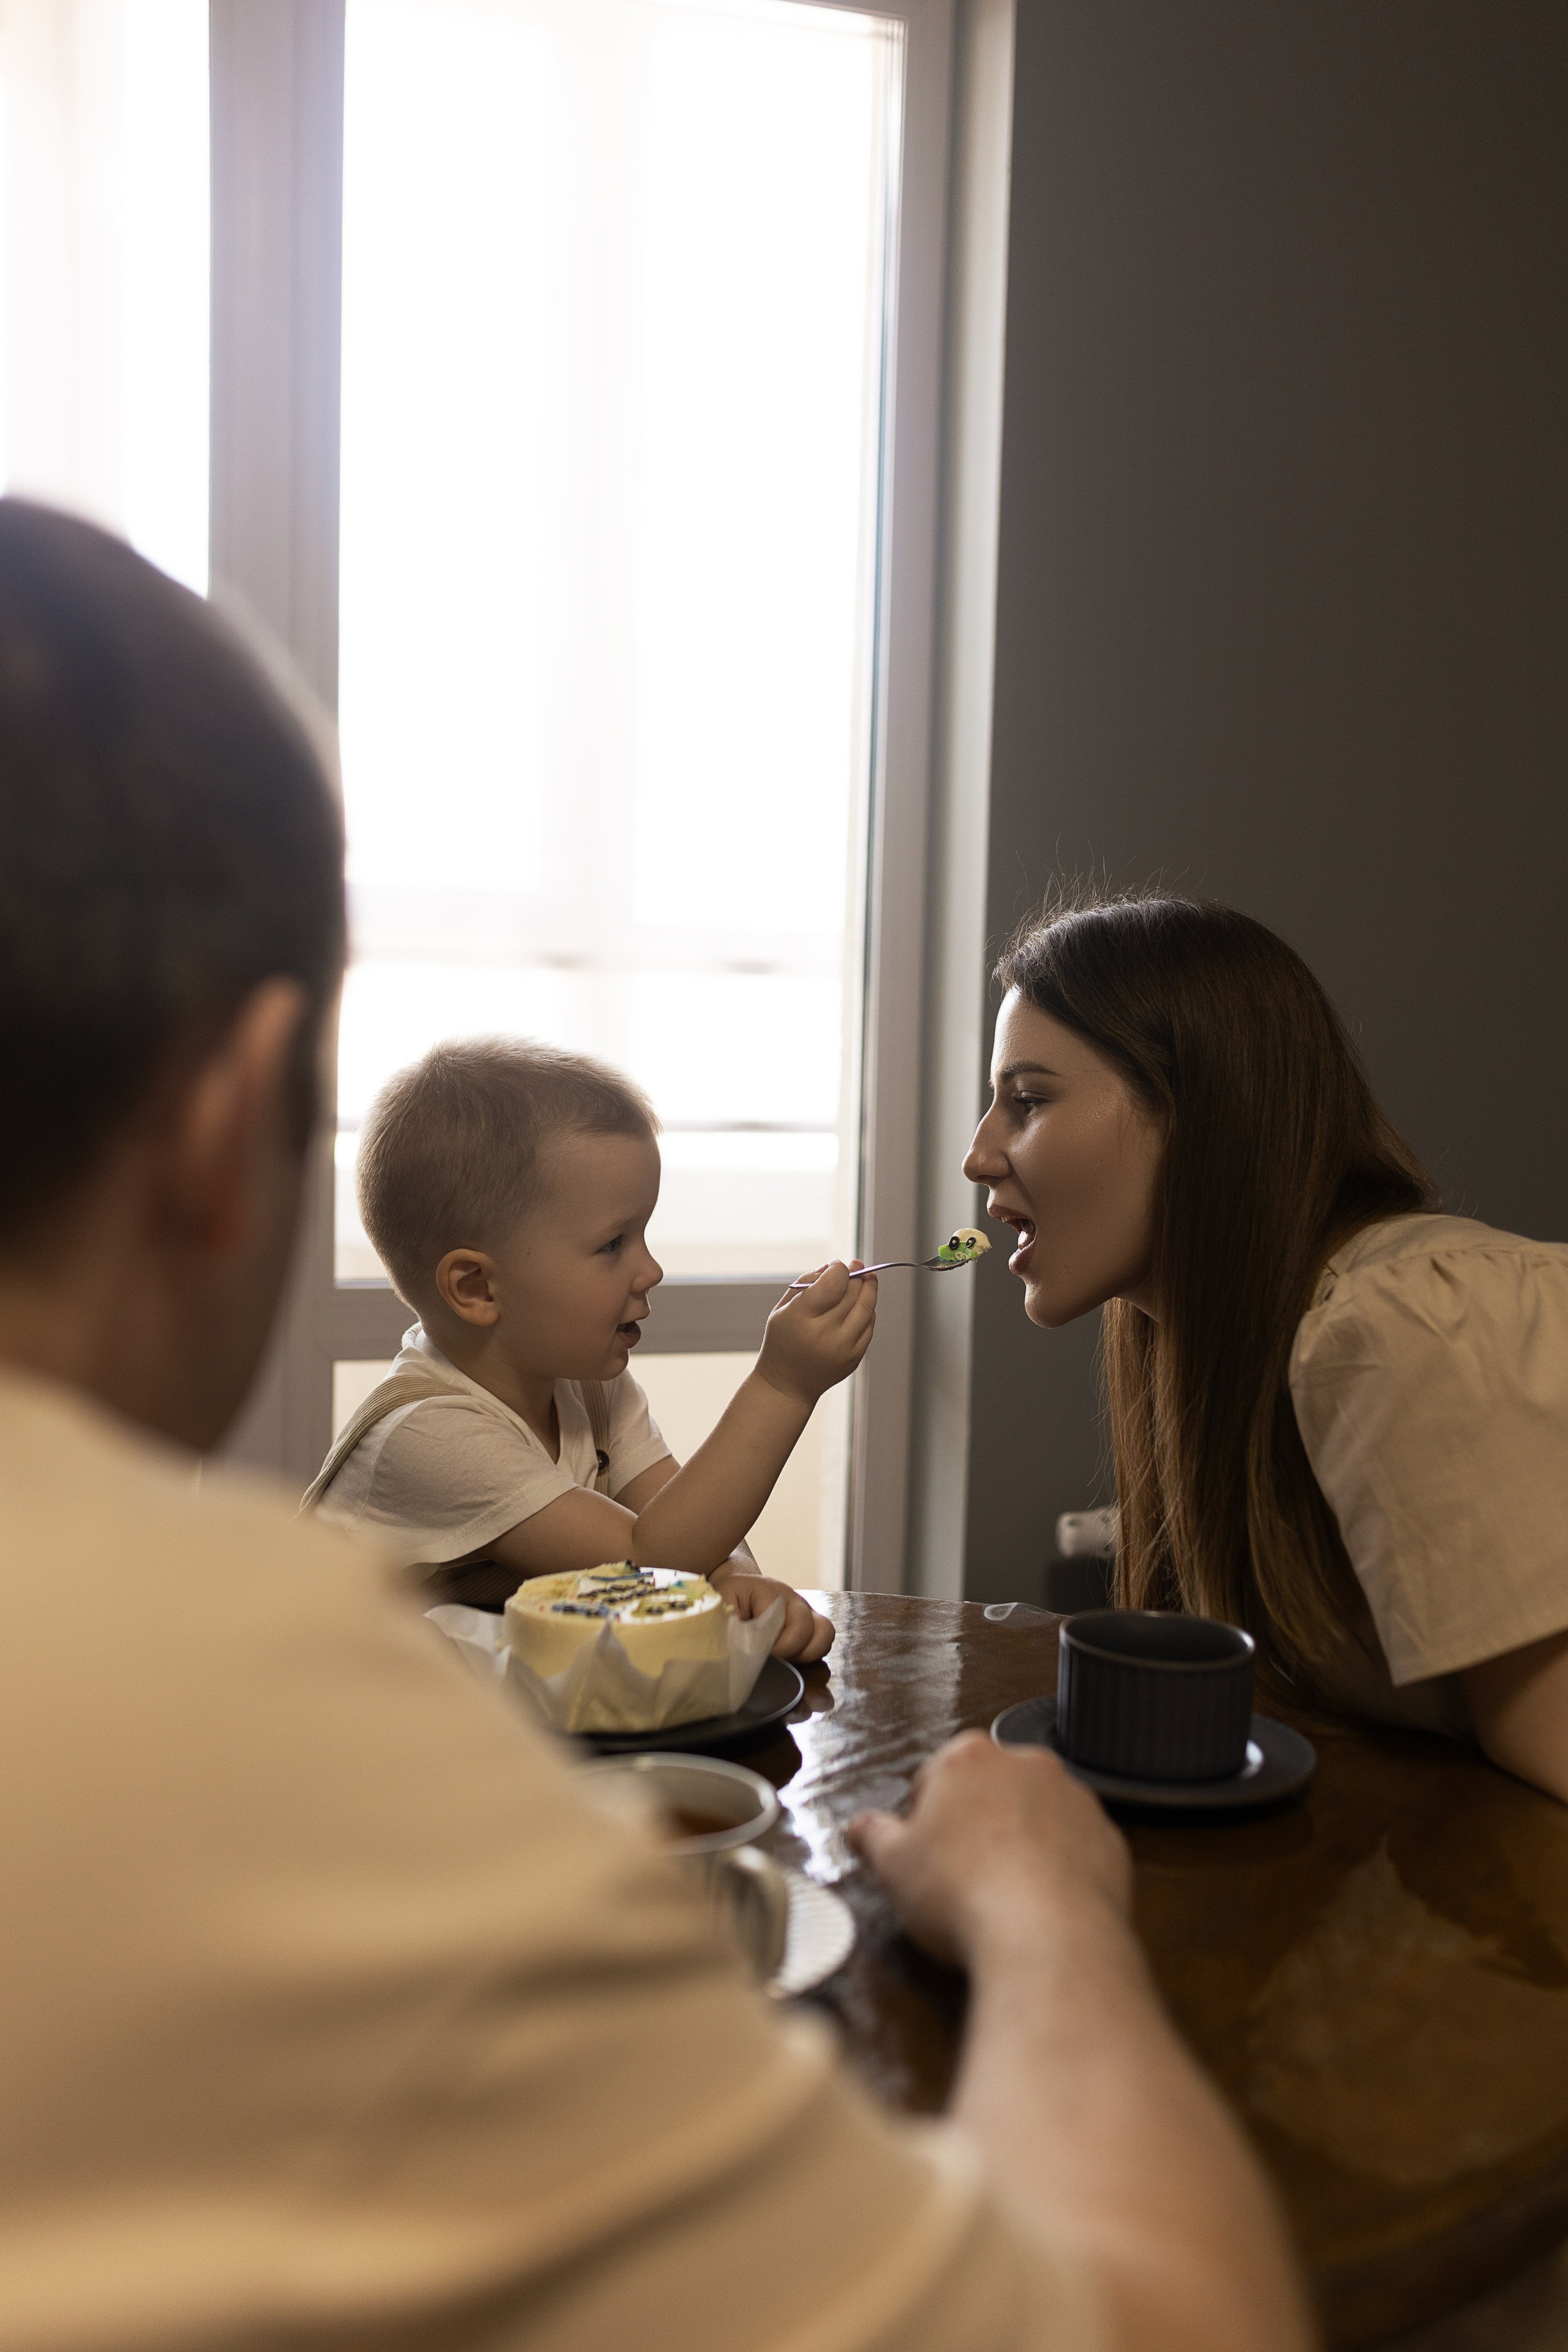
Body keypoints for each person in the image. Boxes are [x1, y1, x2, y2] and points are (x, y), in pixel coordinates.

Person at [0, 500, 1311, 2352]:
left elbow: (684, 1556)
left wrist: (744, 1587)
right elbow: (1174, 2324)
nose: (644, 1272)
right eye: (610, 1244)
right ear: (231, 1127)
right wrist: (1044, 1914)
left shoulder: (570, 1404)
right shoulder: (347, 1607)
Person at [965, 888, 1568, 1801]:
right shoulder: (1200, 1349)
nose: (979, 1154)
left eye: (1028, 1101)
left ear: (1198, 1113)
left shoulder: (1402, 1321)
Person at [304, 1038, 866, 1662]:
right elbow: (652, 1557)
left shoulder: (592, 1390)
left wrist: (735, 1576)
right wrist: (783, 1387)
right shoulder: (427, 1434)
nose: (651, 1270)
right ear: (477, 1287)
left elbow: (682, 1519)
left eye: (643, 1235)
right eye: (612, 1245)